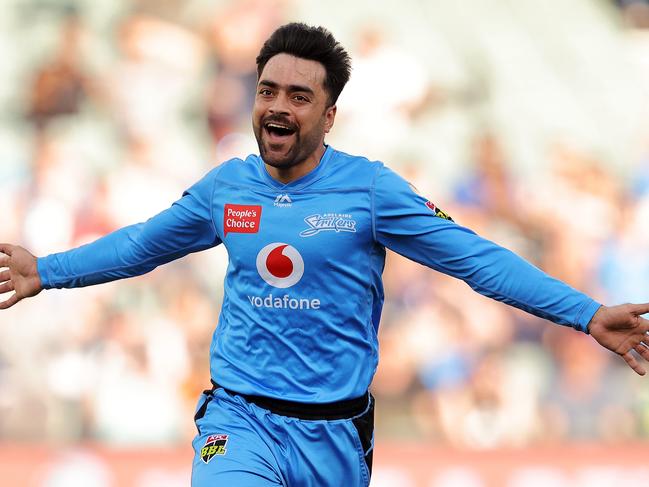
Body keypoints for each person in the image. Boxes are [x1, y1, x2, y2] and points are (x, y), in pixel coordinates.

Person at [1, 22, 649, 487]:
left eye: (298, 96)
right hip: (239, 418)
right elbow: (142, 245)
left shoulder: (370, 191)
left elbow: (474, 260)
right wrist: (46, 271)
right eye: (267, 91)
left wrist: (585, 313)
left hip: (335, 435)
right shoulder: (227, 188)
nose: (277, 108)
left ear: (330, 115)